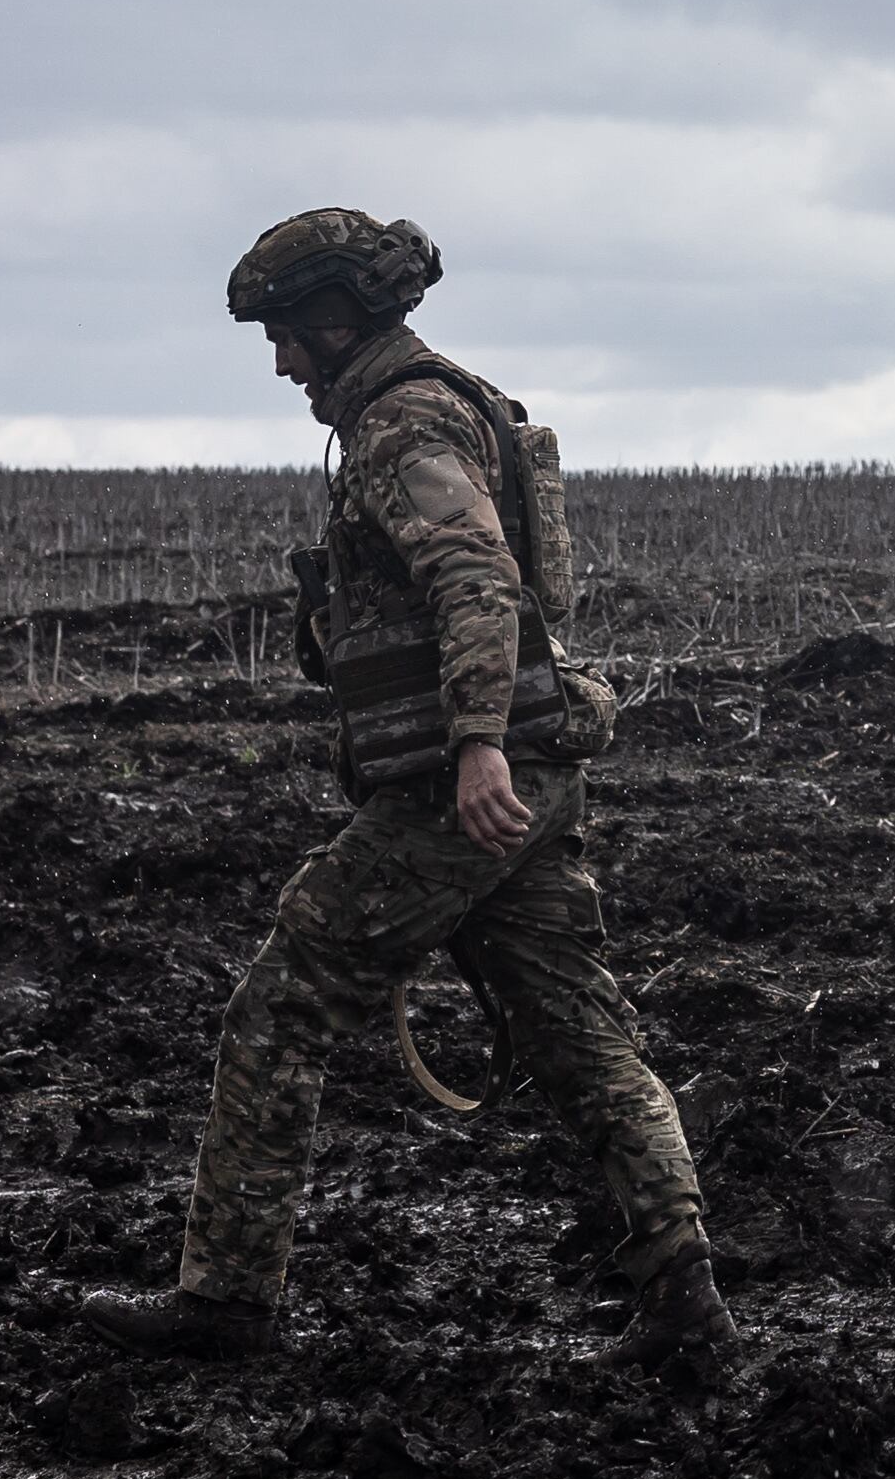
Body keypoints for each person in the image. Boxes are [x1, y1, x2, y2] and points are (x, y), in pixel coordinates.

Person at [70, 209, 736, 1377]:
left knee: (282, 1007)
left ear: (335, 320)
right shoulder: (449, 402)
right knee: (578, 1039)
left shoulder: (402, 423)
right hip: (525, 778)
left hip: (461, 789)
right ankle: (683, 1298)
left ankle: (225, 1300)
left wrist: (474, 745)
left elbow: (475, 578)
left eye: (283, 335)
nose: (280, 363)